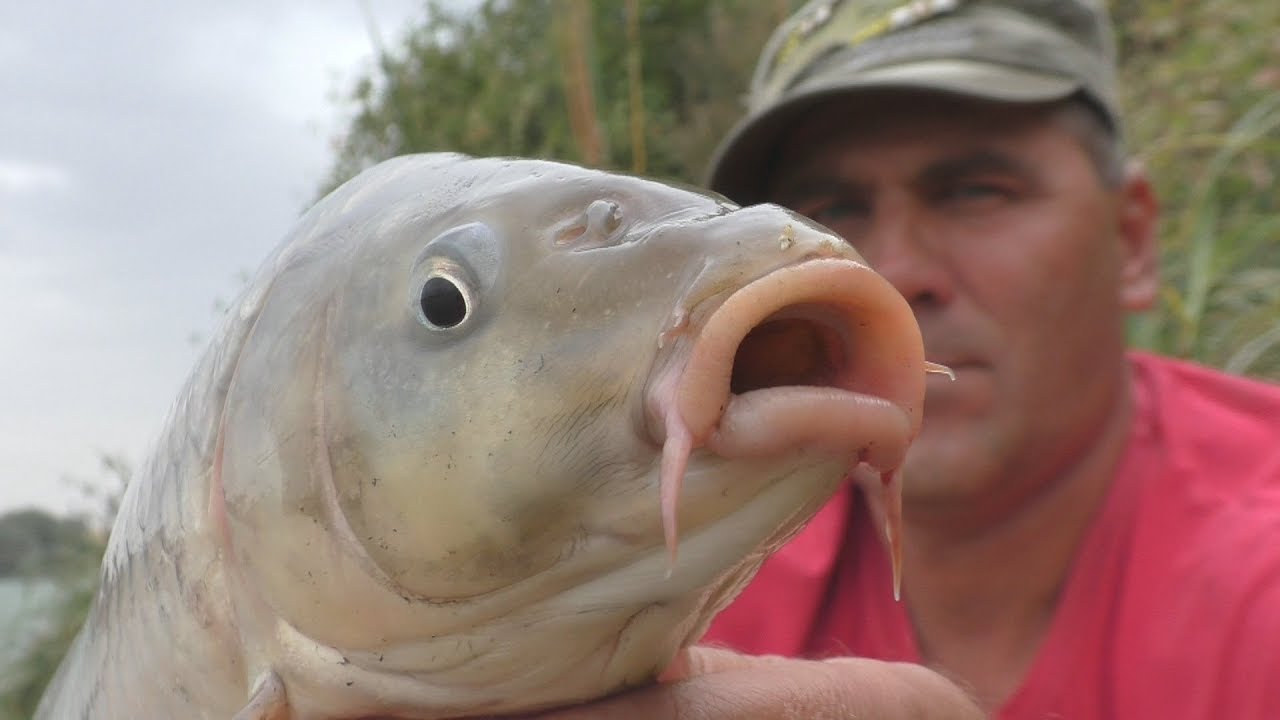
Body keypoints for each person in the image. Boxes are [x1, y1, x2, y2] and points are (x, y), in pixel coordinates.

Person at [525, 0, 1280, 718]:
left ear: (1134, 242)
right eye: (830, 214)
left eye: (974, 192)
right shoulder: (654, 568)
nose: (890, 271)